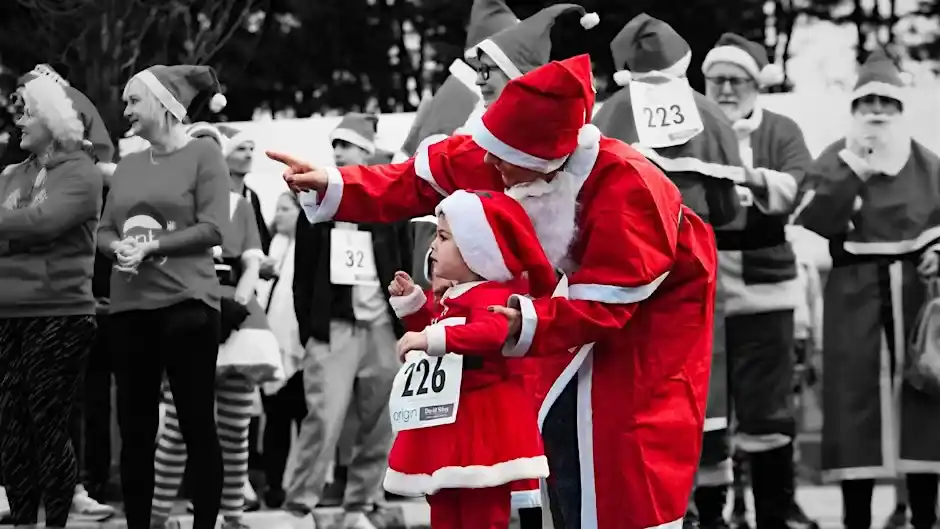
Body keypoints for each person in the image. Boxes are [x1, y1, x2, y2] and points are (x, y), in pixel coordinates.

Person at [267, 53, 718, 529]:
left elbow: (607, 304)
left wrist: (514, 322)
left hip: (650, 320)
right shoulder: (506, 151)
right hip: (550, 318)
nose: (487, 163)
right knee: (554, 436)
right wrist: (333, 184)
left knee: (621, 446)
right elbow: (421, 177)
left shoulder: (629, 187)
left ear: (543, 160)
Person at [590, 18, 742, 527]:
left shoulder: (605, 114)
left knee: (629, 390)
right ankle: (710, 511)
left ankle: (640, 506)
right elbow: (727, 209)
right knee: (700, 380)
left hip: (623, 273)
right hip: (692, 268)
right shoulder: (710, 114)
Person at [796, 49, 940, 529]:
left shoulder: (928, 164)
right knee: (852, 406)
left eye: (886, 102)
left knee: (923, 403)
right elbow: (814, 217)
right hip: (852, 297)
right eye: (866, 103)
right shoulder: (837, 158)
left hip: (916, 298)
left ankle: (924, 516)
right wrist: (851, 170)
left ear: (901, 110)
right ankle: (855, 518)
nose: (877, 111)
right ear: (853, 111)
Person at [97, 64, 231, 529]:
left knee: (196, 425)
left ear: (162, 103)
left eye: (134, 100)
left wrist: (152, 245)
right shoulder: (129, 164)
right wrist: (118, 247)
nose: (126, 109)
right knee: (135, 432)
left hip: (188, 305)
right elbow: (104, 228)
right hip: (130, 308)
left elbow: (215, 228)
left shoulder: (204, 155)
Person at [700, 33, 818, 529]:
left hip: (766, 289)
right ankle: (708, 517)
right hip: (701, 291)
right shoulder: (690, 125)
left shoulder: (782, 127)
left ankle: (772, 514)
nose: (726, 89)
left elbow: (799, 188)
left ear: (756, 84)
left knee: (767, 415)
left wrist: (740, 177)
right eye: (717, 80)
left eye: (737, 80)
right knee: (704, 415)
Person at [386, 189, 553, 528]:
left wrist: (429, 336)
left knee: (481, 509)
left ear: (479, 249)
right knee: (445, 504)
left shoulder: (494, 295)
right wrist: (416, 309)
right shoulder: (455, 297)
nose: (433, 245)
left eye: (444, 236)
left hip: (482, 425)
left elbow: (489, 333)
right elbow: (440, 329)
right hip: (450, 420)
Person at [286, 112, 413, 529]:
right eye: (335, 145)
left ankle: (359, 504)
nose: (338, 152)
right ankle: (299, 506)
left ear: (366, 151)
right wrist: (310, 330)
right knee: (323, 417)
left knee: (383, 418)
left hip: (382, 327)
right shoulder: (316, 200)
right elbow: (301, 276)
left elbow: (405, 261)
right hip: (334, 326)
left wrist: (405, 324)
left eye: (347, 145)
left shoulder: (391, 201)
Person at [149, 122, 279, 529]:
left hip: (234, 318)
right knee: (175, 428)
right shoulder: (165, 201)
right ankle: (152, 516)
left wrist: (239, 299)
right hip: (186, 311)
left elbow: (252, 260)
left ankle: (232, 515)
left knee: (235, 428)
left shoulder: (238, 204)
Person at [0, 75, 103, 528]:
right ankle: (24, 522)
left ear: (52, 118)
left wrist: (13, 225)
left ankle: (56, 523)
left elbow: (44, 223)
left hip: (60, 313)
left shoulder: (82, 170)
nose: (18, 120)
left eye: (26, 111)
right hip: (7, 315)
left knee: (47, 425)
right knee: (12, 429)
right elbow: (27, 227)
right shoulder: (10, 175)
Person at [257, 192, 307, 508]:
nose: (280, 215)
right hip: (271, 346)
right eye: (277, 209)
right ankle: (274, 486)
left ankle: (300, 487)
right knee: (274, 421)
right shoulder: (271, 250)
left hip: (301, 347)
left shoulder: (308, 248)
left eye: (286, 208)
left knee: (303, 420)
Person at [219, 125, 272, 254]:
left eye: (251, 149)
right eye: (241, 149)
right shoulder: (214, 194)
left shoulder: (251, 196)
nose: (249, 155)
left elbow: (262, 241)